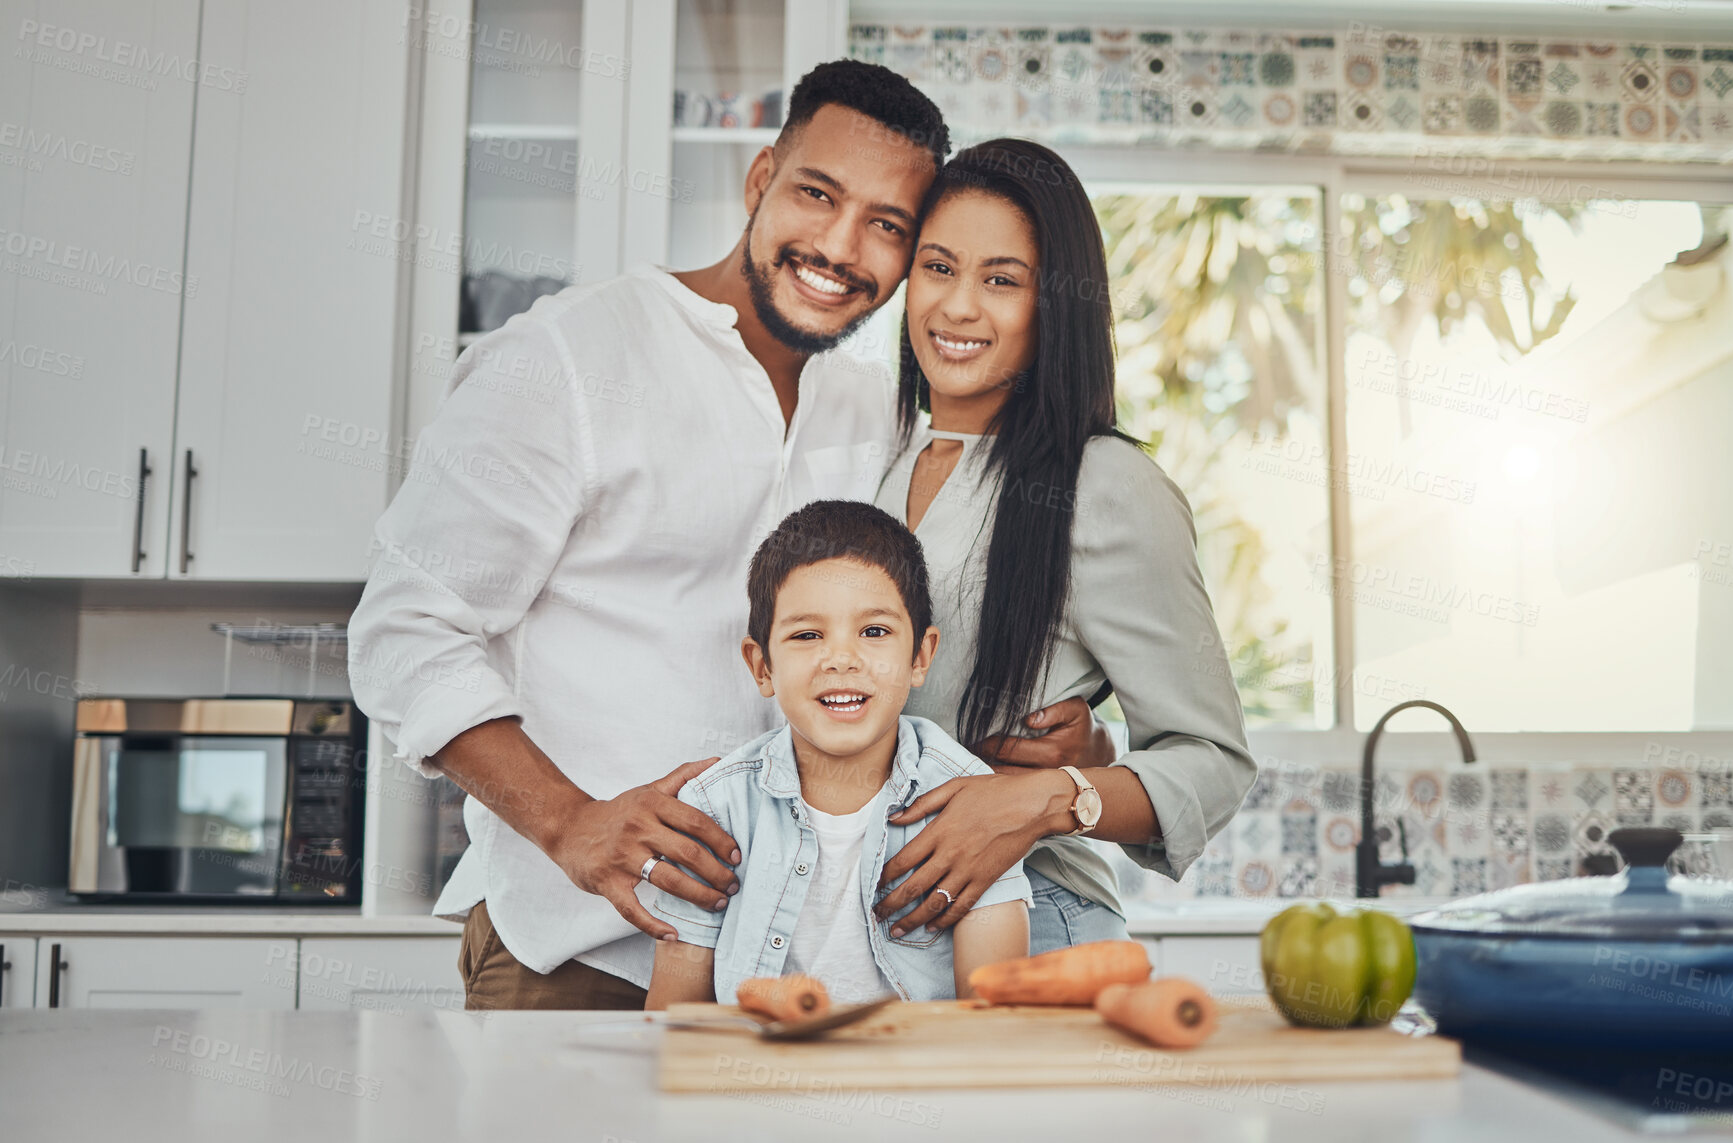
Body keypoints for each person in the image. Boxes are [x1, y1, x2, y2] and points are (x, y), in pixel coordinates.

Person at [346, 62, 1109, 1010]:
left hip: (806, 979)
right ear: (761, 182)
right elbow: (406, 632)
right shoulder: (567, 360)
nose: (839, 247)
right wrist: (572, 825)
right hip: (587, 953)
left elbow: (898, 642)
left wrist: (1079, 740)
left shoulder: (876, 410)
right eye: (817, 195)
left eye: (887, 226)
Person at [866, 138, 1258, 953]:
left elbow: (1211, 761)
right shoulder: (876, 460)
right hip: (876, 923)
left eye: (1002, 280)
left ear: (1057, 306)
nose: (958, 307)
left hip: (1035, 916)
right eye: (938, 268)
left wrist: (1046, 797)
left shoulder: (1105, 484)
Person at [644, 501, 1030, 1008]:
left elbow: (994, 1023)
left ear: (920, 656)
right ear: (762, 667)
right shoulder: (716, 808)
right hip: (753, 1081)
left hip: (920, 1080)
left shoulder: (973, 801)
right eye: (807, 635)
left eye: (874, 632)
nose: (842, 659)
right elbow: (675, 1022)